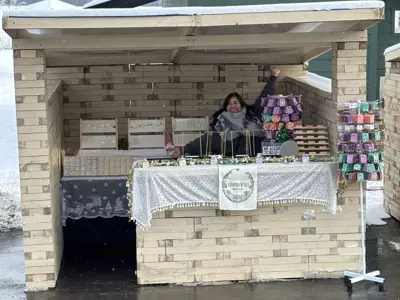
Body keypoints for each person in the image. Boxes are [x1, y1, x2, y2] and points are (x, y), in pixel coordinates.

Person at [170, 68, 280, 158]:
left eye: (235, 103)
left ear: (241, 105)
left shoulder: (251, 114)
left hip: (254, 162)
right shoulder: (221, 124)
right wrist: (181, 150)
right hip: (228, 166)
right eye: (229, 104)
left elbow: (264, 98)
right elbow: (206, 141)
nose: (233, 106)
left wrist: (273, 78)